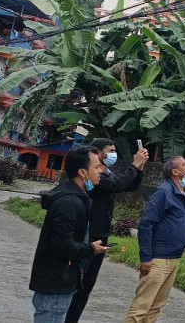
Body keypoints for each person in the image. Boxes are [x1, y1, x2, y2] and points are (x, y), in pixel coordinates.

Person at [66, 138, 149, 323]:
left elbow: (128, 185)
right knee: (78, 283)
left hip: (101, 235)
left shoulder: (106, 173)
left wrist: (140, 167)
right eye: (110, 150)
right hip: (89, 235)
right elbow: (118, 184)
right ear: (100, 153)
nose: (113, 153)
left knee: (87, 285)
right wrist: (134, 164)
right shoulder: (95, 178)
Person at [29, 146, 109, 323]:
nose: (101, 171)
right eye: (96, 167)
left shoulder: (76, 198)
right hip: (55, 284)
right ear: (82, 172)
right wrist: (90, 249)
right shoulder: (69, 203)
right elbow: (62, 245)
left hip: (63, 282)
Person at [124, 156, 185, 323]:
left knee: (157, 305)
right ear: (175, 172)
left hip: (174, 258)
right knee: (142, 306)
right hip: (158, 259)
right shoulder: (163, 192)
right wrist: (146, 257)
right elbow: (146, 224)